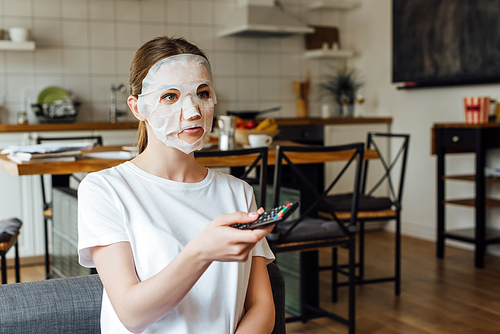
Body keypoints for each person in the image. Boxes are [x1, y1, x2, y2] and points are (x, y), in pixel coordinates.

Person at [77, 36, 276, 334]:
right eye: (170, 96)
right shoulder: (104, 190)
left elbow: (262, 306)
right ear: (138, 108)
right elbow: (132, 315)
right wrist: (201, 252)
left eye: (203, 93)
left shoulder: (238, 192)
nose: (194, 110)